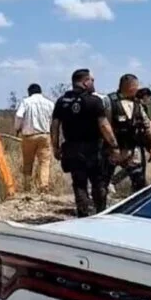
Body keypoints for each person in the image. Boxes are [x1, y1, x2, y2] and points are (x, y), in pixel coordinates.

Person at [50, 69, 121, 217]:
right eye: (92, 80)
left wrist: (55, 147)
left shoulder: (62, 101)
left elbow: (55, 126)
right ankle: (100, 213)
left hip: (71, 149)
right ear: (85, 82)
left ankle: (83, 215)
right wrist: (114, 146)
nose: (93, 83)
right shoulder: (94, 101)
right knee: (98, 182)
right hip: (93, 148)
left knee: (79, 184)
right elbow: (104, 125)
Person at [102, 75, 151, 193]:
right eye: (136, 86)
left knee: (139, 183)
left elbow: (147, 125)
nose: (137, 89)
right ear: (129, 86)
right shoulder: (109, 102)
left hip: (132, 150)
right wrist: (112, 146)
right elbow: (103, 126)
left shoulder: (137, 104)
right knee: (102, 185)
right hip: (111, 151)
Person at [14, 83, 54, 193]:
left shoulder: (26, 102)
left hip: (29, 136)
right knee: (44, 162)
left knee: (28, 162)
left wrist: (17, 128)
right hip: (44, 135)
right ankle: (43, 186)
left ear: (29, 92)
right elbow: (54, 119)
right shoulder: (49, 103)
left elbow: (19, 115)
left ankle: (27, 186)